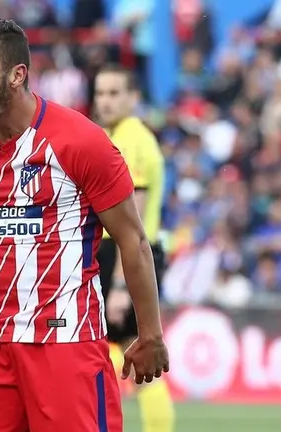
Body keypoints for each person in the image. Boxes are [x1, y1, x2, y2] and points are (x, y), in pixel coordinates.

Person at [0, 18, 169, 432]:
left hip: (65, 339)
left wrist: (150, 333)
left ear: (17, 76)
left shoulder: (80, 142)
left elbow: (132, 240)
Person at [94, 64, 174, 432]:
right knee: (127, 352)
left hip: (126, 258)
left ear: (133, 98)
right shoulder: (120, 135)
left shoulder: (132, 140)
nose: (105, 101)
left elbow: (133, 221)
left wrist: (123, 286)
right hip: (125, 255)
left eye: (114, 93)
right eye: (100, 93)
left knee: (123, 351)